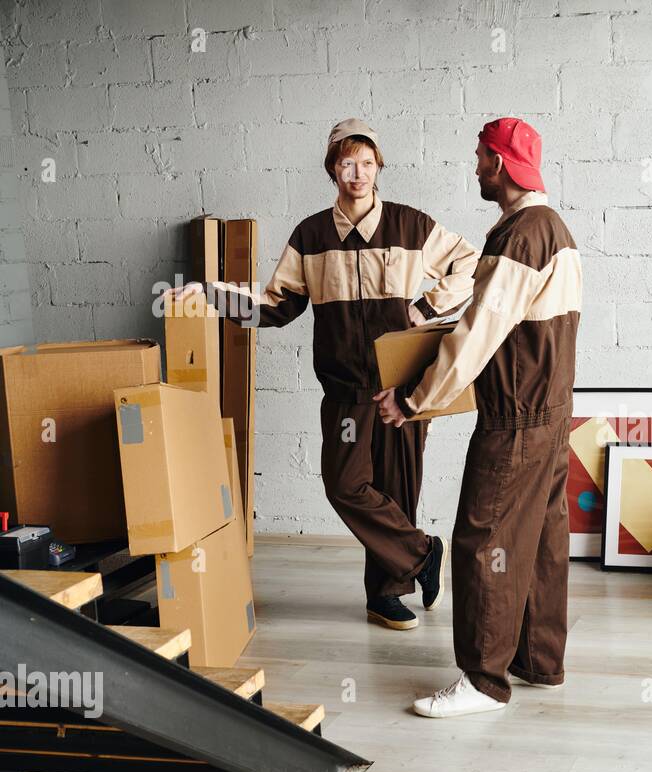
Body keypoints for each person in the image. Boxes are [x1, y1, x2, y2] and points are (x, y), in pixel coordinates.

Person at [167, 119, 479, 631]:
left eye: (367, 162)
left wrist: (425, 306)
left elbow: (470, 264)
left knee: (399, 490)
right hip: (345, 389)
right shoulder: (310, 236)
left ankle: (386, 595)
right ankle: (423, 554)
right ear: (333, 168)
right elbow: (275, 306)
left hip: (404, 386)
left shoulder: (411, 226)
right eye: (346, 162)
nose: (357, 172)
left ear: (379, 167)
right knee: (345, 484)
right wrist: (210, 294)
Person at [374, 118, 581, 718]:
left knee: (482, 539)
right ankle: (539, 660)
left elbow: (477, 336)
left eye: (480, 158)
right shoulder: (555, 229)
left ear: (499, 162)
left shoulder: (520, 235)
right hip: (551, 412)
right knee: (542, 538)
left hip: (515, 419)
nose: (475, 169)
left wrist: (415, 400)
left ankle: (483, 682)